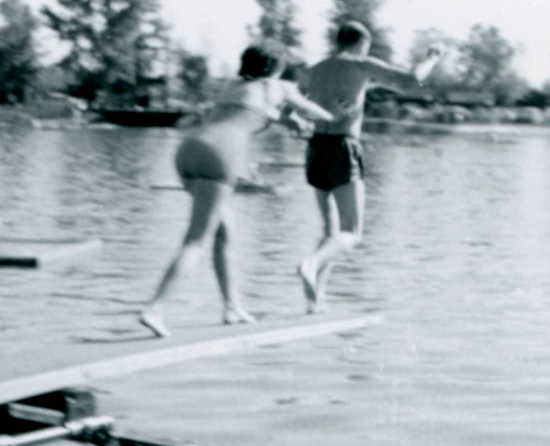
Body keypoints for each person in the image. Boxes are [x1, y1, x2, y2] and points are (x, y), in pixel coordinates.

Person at [139, 44, 343, 336]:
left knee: (225, 233)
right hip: (221, 155)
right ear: (276, 68)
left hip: (188, 151)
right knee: (195, 241)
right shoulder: (277, 86)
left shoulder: (231, 87)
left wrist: (289, 120)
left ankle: (232, 306)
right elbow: (313, 112)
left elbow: (253, 112)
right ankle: (155, 308)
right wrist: (335, 115)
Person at [295, 21, 445, 312]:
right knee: (352, 232)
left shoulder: (317, 69)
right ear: (363, 43)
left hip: (315, 147)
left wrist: (307, 121)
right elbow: (412, 78)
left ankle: (315, 302)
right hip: (343, 147)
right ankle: (310, 264)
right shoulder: (361, 63)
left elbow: (293, 105)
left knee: (331, 232)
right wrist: (433, 56)